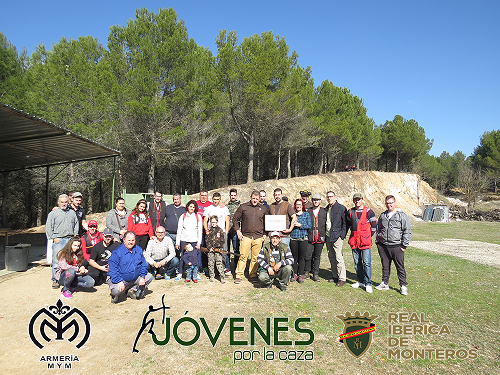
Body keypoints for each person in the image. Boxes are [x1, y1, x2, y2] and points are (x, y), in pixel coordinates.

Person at [375, 195, 412, 295]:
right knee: (385, 266)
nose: (389, 205)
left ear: (395, 203)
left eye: (391, 203)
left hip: (396, 246)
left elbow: (407, 231)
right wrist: (378, 242)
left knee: (400, 266)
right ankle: (385, 283)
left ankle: (403, 286)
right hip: (384, 246)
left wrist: (404, 245)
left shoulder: (401, 215)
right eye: (387, 203)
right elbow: (378, 229)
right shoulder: (383, 215)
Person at [107, 231, 153, 303]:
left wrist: (142, 276)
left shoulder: (138, 249)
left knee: (149, 277)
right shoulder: (117, 252)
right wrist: (119, 281)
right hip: (121, 279)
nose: (131, 242)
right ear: (124, 240)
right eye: (129, 240)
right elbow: (113, 269)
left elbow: (143, 264)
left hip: (134, 278)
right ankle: (115, 296)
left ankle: (132, 289)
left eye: (133, 240)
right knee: (116, 290)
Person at [232, 190, 267, 284]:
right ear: (250, 197)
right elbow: (235, 219)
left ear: (259, 199)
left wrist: (265, 233)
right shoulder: (243, 207)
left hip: (258, 237)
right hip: (246, 236)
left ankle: (253, 274)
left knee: (255, 257)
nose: (255, 200)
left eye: (257, 199)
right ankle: (239, 275)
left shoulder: (263, 209)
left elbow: (266, 222)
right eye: (253, 198)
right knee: (243, 256)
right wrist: (238, 231)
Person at [45, 194, 79, 288]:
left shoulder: (72, 213)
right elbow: (48, 227)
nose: (64, 204)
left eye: (65, 202)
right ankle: (55, 280)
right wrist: (53, 238)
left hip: (70, 239)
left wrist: (75, 234)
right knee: (57, 261)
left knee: (70, 260)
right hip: (59, 240)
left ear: (68, 202)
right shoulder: (53, 214)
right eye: (62, 202)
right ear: (58, 202)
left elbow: (76, 223)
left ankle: (68, 279)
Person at [347, 193, 377, 293]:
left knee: (367, 263)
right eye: (355, 199)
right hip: (354, 241)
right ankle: (360, 281)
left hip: (365, 242)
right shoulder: (350, 211)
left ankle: (368, 283)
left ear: (362, 200)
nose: (357, 201)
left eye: (358, 199)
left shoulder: (369, 211)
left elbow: (374, 226)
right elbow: (348, 224)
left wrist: (367, 236)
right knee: (357, 263)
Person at [203, 192, 230, 276]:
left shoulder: (224, 208)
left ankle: (223, 269)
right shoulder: (208, 208)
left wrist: (226, 232)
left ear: (220, 199)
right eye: (214, 199)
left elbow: (227, 221)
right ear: (212, 199)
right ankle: (213, 270)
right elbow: (205, 221)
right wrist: (206, 230)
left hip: (221, 233)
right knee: (211, 252)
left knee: (223, 251)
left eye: (217, 199)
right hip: (212, 234)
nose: (216, 201)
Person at [325, 191, 348, 287]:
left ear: (335, 197)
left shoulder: (341, 208)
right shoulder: (326, 208)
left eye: (331, 196)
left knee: (338, 257)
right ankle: (335, 275)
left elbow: (345, 223)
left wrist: (342, 235)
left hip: (337, 236)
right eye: (328, 197)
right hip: (328, 235)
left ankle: (342, 278)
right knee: (331, 257)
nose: (329, 198)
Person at [176, 200, 203, 280]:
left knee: (195, 258)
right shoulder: (183, 216)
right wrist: (177, 242)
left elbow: (199, 231)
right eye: (190, 206)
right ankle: (180, 273)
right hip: (184, 240)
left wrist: (199, 242)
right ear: (187, 207)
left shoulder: (198, 217)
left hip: (194, 240)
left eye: (193, 207)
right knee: (183, 257)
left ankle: (196, 274)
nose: (192, 208)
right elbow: (179, 230)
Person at [290, 199, 312, 283]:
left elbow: (309, 226)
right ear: (295, 206)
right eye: (297, 204)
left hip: (303, 238)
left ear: (302, 205)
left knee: (302, 258)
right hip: (294, 238)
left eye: (300, 204)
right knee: (294, 257)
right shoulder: (293, 215)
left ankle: (301, 275)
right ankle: (294, 274)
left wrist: (300, 225)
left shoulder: (306, 214)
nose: (298, 206)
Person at [307, 193, 328, 283]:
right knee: (308, 255)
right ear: (312, 201)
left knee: (317, 256)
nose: (316, 201)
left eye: (317, 200)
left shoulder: (324, 211)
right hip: (310, 237)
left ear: (320, 201)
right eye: (314, 200)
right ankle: (307, 272)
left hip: (320, 237)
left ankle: (315, 274)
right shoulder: (308, 211)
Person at [205, 216, 226, 283]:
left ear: (217, 222)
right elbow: (207, 240)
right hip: (210, 250)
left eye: (214, 222)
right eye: (212, 222)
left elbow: (222, 240)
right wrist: (209, 248)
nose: (213, 223)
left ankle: (222, 277)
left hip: (218, 250)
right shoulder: (209, 230)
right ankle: (211, 276)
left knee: (219, 263)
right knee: (210, 263)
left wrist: (221, 248)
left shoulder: (220, 230)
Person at [226, 188, 241, 272]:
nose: (233, 197)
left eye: (235, 195)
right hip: (227, 231)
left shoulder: (240, 206)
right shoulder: (226, 206)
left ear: (237, 196)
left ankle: (236, 267)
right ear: (229, 196)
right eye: (232, 195)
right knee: (226, 249)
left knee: (236, 250)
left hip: (236, 231)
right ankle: (227, 267)